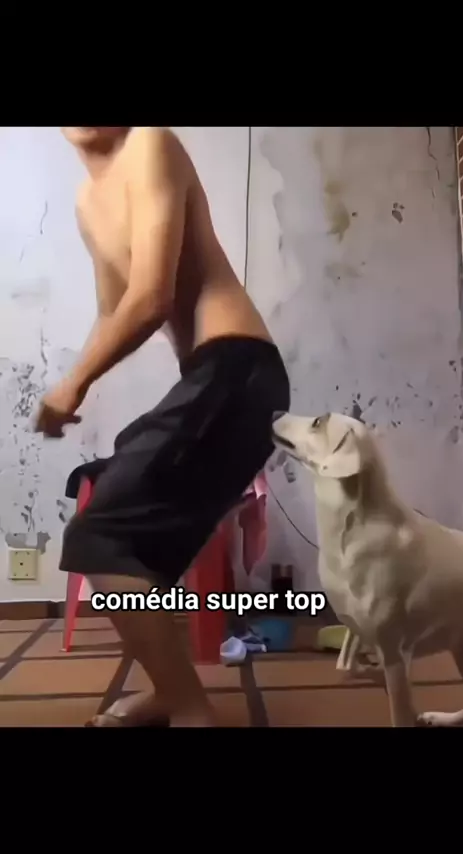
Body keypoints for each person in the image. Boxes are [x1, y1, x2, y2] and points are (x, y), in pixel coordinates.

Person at [34, 127, 290, 727]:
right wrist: (71, 383)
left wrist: (73, 384)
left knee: (101, 532)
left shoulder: (148, 142)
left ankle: (188, 705)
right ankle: (173, 693)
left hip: (238, 370)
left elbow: (150, 297)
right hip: (212, 378)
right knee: (125, 543)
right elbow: (113, 311)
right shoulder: (86, 203)